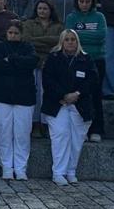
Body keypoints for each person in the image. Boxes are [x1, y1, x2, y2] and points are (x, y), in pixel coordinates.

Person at [41, 29, 97, 186]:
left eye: (73, 39)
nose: (70, 42)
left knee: (76, 140)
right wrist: (63, 95)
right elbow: (48, 80)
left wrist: (77, 94)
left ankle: (71, 171)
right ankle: (58, 172)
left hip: (80, 104)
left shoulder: (86, 59)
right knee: (60, 137)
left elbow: (92, 80)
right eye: (67, 39)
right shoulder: (53, 58)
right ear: (62, 42)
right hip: (58, 104)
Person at [0, 21, 38, 180]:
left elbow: (31, 63)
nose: (13, 35)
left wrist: (11, 59)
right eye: (10, 32)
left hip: (24, 97)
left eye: (16, 33)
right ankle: (7, 167)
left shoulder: (28, 47)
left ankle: (21, 168)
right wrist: (18, 62)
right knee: (4, 132)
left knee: (22, 134)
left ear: (21, 34)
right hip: (1, 96)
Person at [65, 0, 107, 142]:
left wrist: (79, 36)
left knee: (95, 95)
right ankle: (80, 130)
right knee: (78, 94)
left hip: (96, 60)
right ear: (77, 2)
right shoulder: (71, 17)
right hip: (76, 60)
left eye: (87, 1)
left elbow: (101, 36)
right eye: (81, 1)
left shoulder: (99, 17)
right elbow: (68, 37)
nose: (84, 4)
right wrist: (87, 36)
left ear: (92, 2)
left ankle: (97, 129)